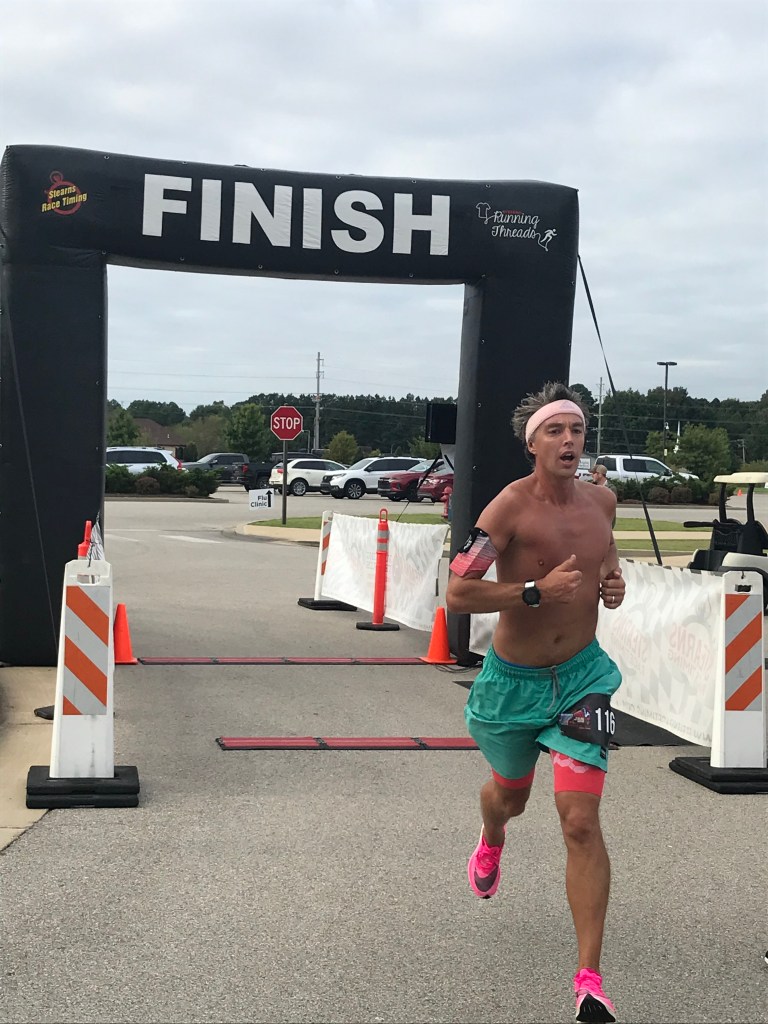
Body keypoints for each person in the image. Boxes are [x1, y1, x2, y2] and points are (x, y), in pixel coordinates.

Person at [446, 381, 626, 1024]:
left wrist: (613, 581)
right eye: (555, 430)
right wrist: (533, 592)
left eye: (576, 429)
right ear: (533, 444)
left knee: (579, 820)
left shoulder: (604, 500)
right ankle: (492, 835)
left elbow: (606, 554)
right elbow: (457, 594)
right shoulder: (508, 509)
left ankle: (589, 982)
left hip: (582, 678)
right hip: (513, 685)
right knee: (512, 797)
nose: (569, 440)